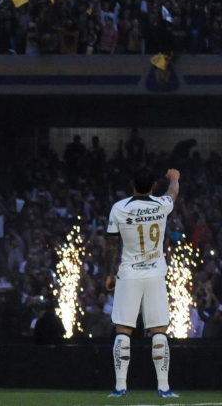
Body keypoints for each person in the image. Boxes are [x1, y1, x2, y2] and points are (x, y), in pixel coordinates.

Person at [104, 167, 181, 398]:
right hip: (155, 274)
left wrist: (110, 273)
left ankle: (120, 387)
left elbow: (111, 244)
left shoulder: (119, 208)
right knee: (159, 330)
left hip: (128, 274)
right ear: (153, 186)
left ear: (132, 184)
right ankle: (164, 388)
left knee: (123, 330)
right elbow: (174, 192)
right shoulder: (161, 205)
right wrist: (174, 176)